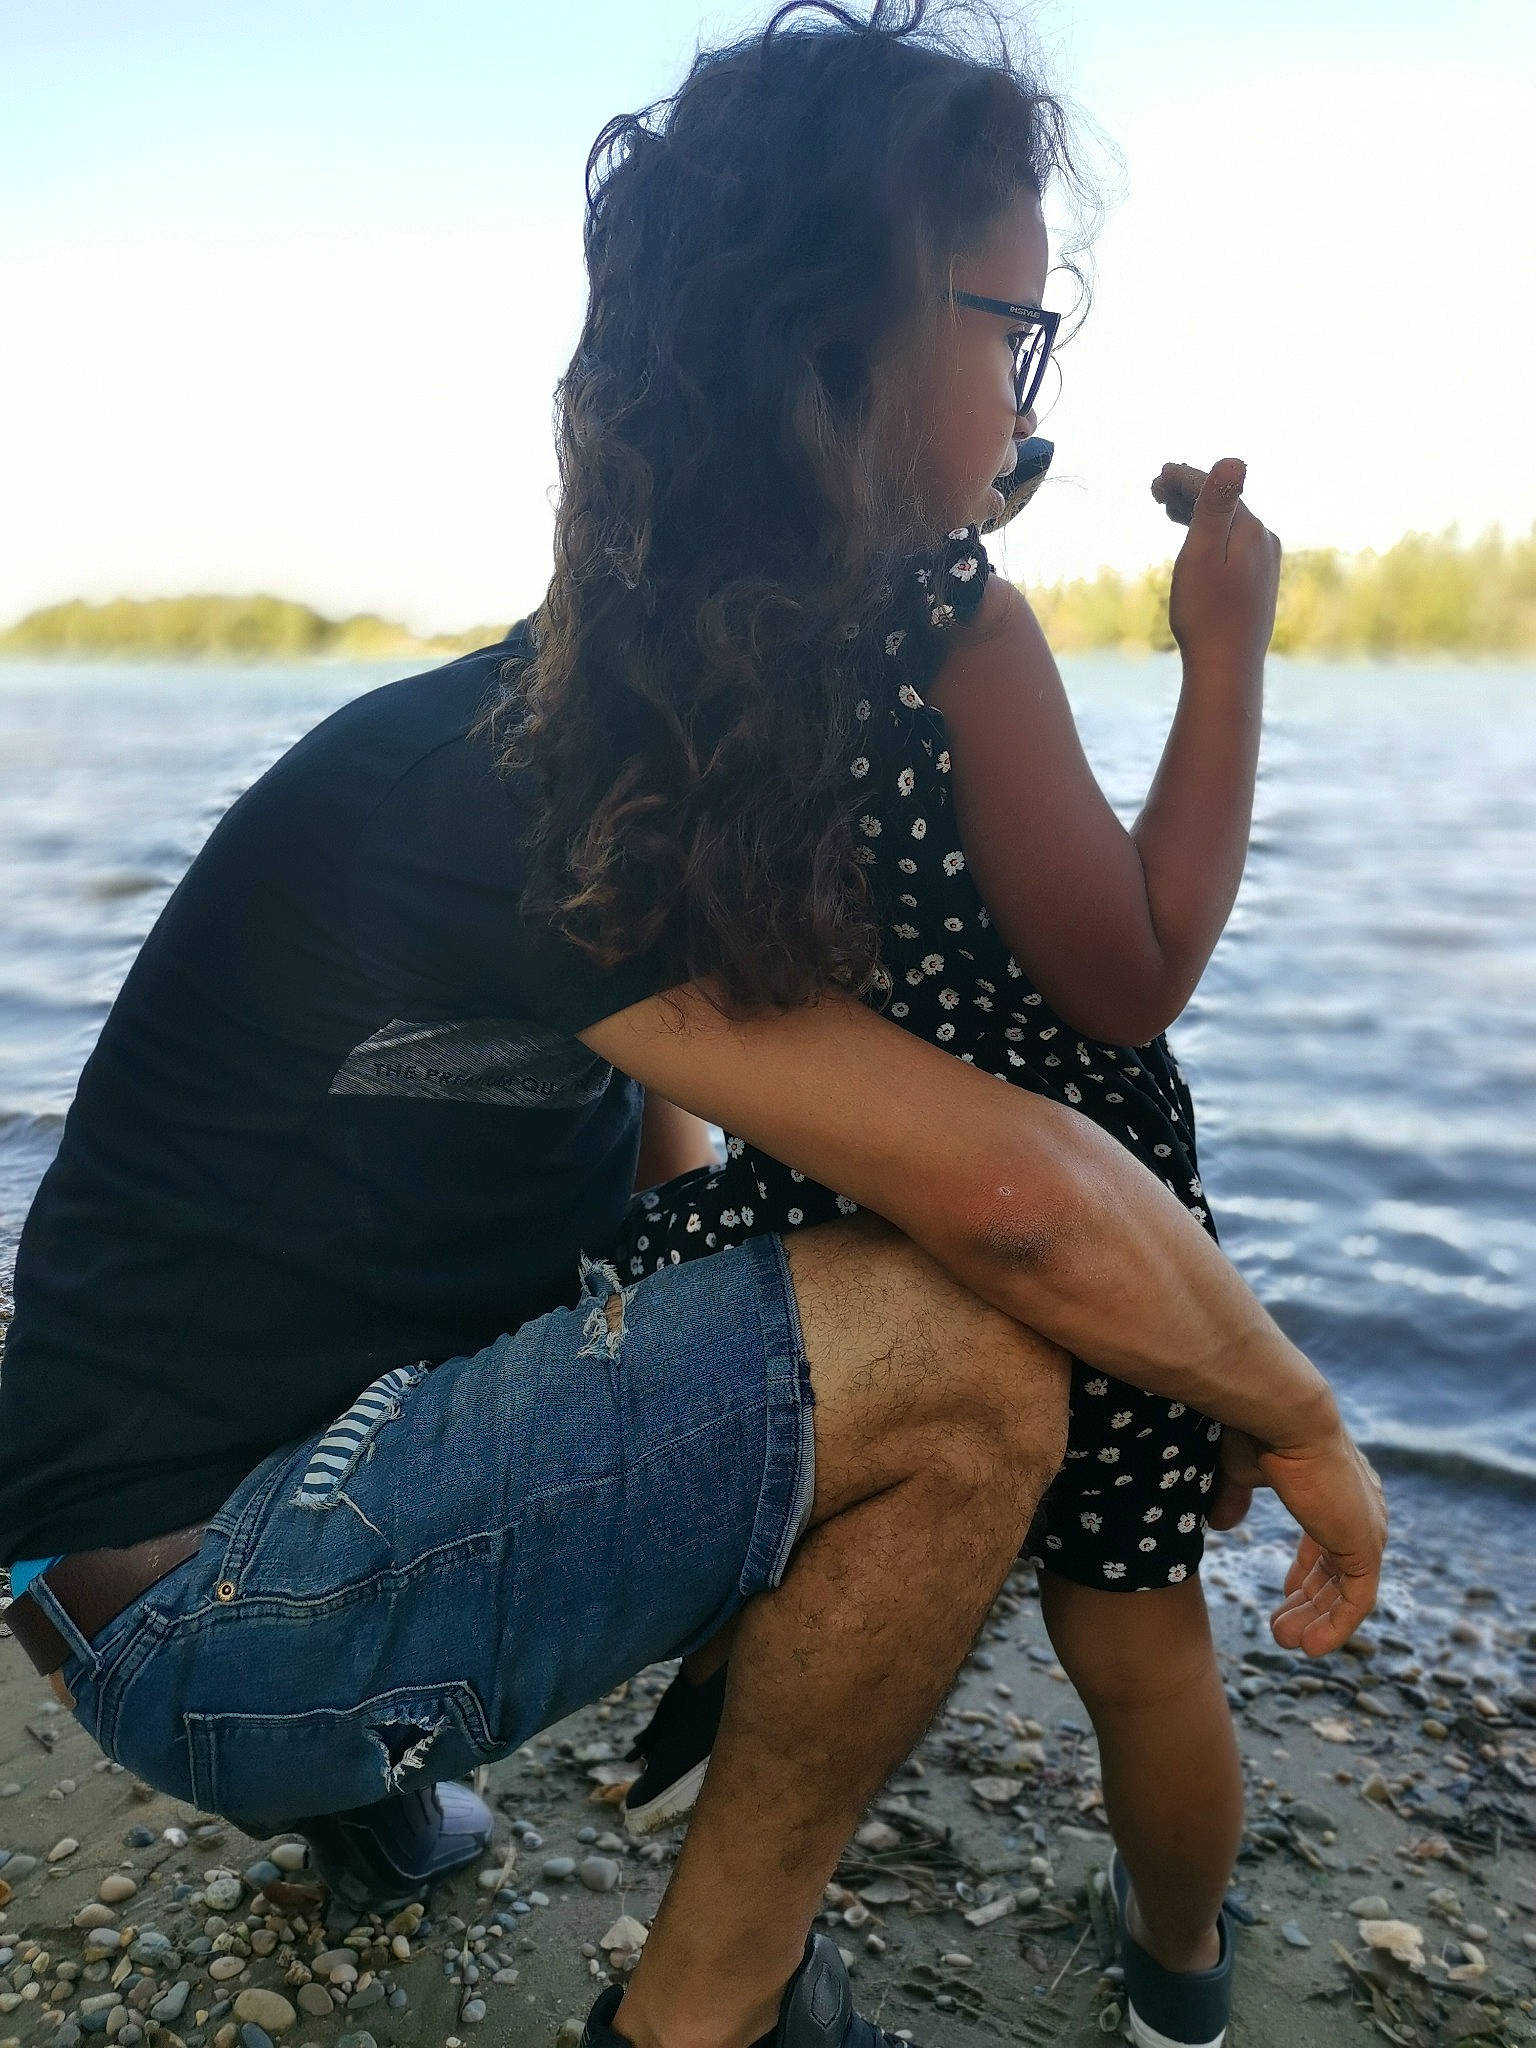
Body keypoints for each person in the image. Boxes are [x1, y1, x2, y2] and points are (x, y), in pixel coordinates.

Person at [0, 8, 1385, 2048]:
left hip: (163, 1547)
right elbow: (1017, 1197)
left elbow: (662, 1164)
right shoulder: (549, 771)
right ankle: (706, 2012)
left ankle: (377, 1794)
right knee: (977, 1351)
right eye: (1013, 320)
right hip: (211, 1621)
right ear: (837, 344)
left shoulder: (635, 712)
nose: (1026, 379)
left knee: (781, 1296)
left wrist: (754, 1427)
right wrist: (1294, 1409)